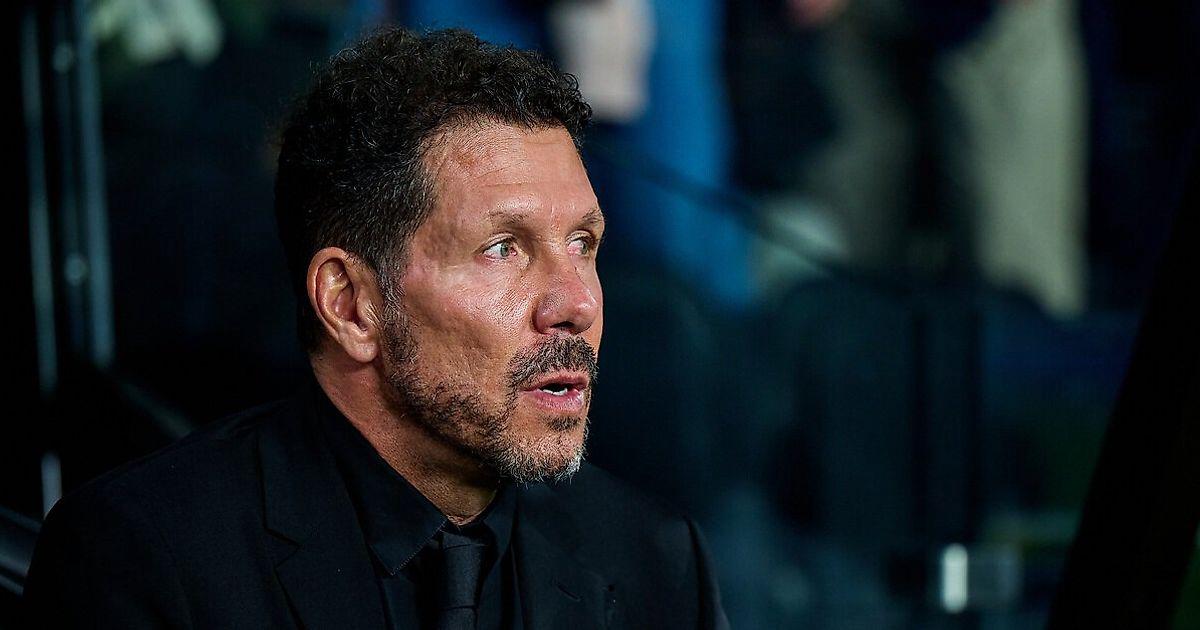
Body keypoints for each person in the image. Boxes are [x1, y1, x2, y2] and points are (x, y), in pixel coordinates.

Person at [23, 28, 729, 630]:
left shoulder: (657, 562)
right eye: (502, 249)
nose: (575, 302)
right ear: (350, 304)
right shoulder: (146, 557)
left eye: (582, 243)